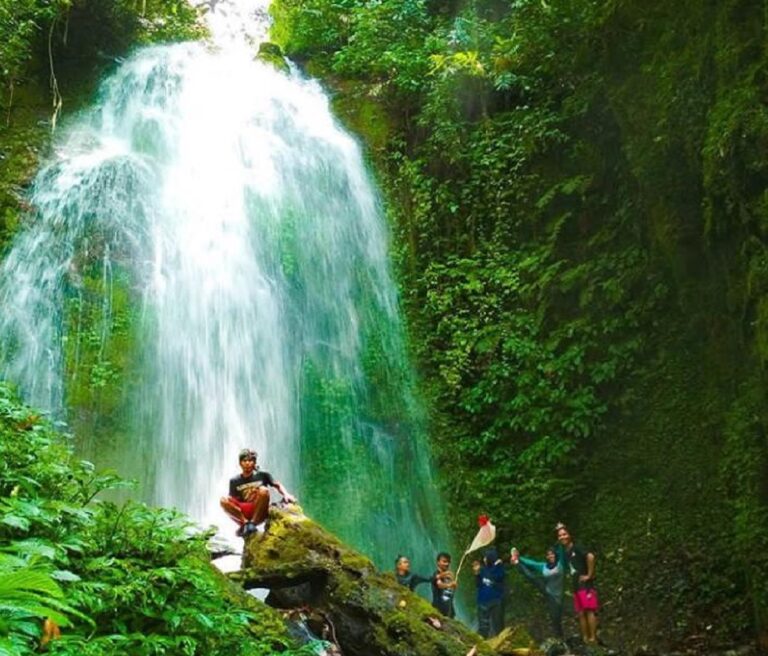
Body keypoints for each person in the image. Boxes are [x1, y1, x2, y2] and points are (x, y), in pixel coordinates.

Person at [220, 448, 296, 538]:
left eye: (250, 461)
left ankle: (252, 523)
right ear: (240, 463)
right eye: (244, 461)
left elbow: (277, 485)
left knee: (263, 490)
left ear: (254, 463)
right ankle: (246, 524)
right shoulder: (234, 481)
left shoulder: (263, 475)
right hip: (243, 513)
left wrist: (286, 494)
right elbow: (232, 502)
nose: (247, 463)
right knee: (223, 500)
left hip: (259, 510)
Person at [556, 524, 598, 644]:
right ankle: (585, 638)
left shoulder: (577, 547)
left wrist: (589, 574)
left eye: (564, 534)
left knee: (589, 610)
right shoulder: (566, 552)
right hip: (576, 586)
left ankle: (593, 638)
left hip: (586, 585)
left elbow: (590, 556)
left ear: (569, 535)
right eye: (560, 535)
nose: (562, 537)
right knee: (580, 613)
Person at [511, 546, 565, 639]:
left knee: (556, 618)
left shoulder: (561, 564)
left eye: (552, 554)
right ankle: (517, 563)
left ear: (556, 555)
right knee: (531, 577)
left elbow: (562, 549)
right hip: (548, 592)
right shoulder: (544, 566)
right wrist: (519, 558)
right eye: (548, 555)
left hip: (558, 595)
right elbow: (532, 563)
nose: (550, 556)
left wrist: (560, 538)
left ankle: (560, 637)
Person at [472, 547, 506, 638]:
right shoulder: (482, 570)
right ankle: (482, 641)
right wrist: (477, 574)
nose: (484, 559)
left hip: (495, 601)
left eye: (486, 557)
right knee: (483, 626)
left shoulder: (499, 570)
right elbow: (478, 584)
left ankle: (501, 641)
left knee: (498, 625)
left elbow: (498, 577)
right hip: (482, 602)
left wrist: (497, 565)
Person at [431, 552, 458, 617]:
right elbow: (439, 585)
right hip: (438, 611)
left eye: (448, 562)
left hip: (449, 611)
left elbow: (451, 592)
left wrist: (454, 586)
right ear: (438, 562)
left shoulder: (449, 576)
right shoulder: (436, 574)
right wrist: (450, 585)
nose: (447, 564)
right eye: (444, 561)